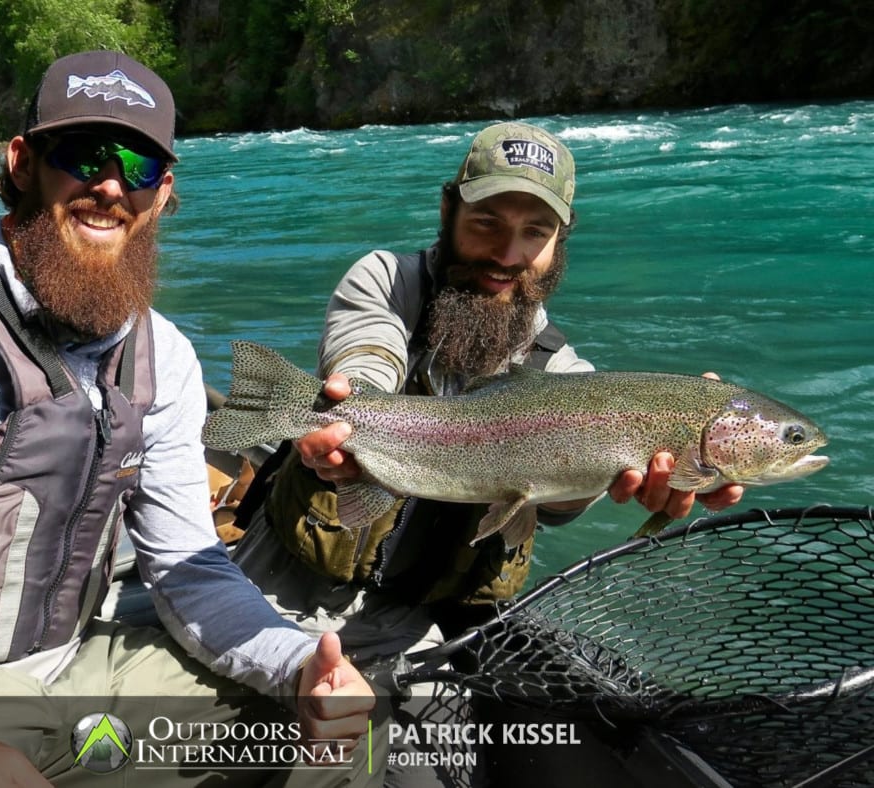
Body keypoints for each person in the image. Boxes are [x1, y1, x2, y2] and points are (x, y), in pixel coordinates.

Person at [0, 50, 381, 788]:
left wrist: (297, 664)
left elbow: (187, 572)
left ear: (162, 193)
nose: (108, 185)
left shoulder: (165, 356)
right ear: (24, 161)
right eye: (82, 154)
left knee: (345, 729)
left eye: (135, 165)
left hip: (76, 668)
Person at [231, 121, 744, 786]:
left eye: (535, 232)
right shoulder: (385, 280)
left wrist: (627, 474)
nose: (507, 252)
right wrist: (347, 410)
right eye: (487, 222)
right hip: (280, 598)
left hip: (415, 633)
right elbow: (368, 359)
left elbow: (558, 504)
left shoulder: (563, 373)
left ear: (560, 241)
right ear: (448, 210)